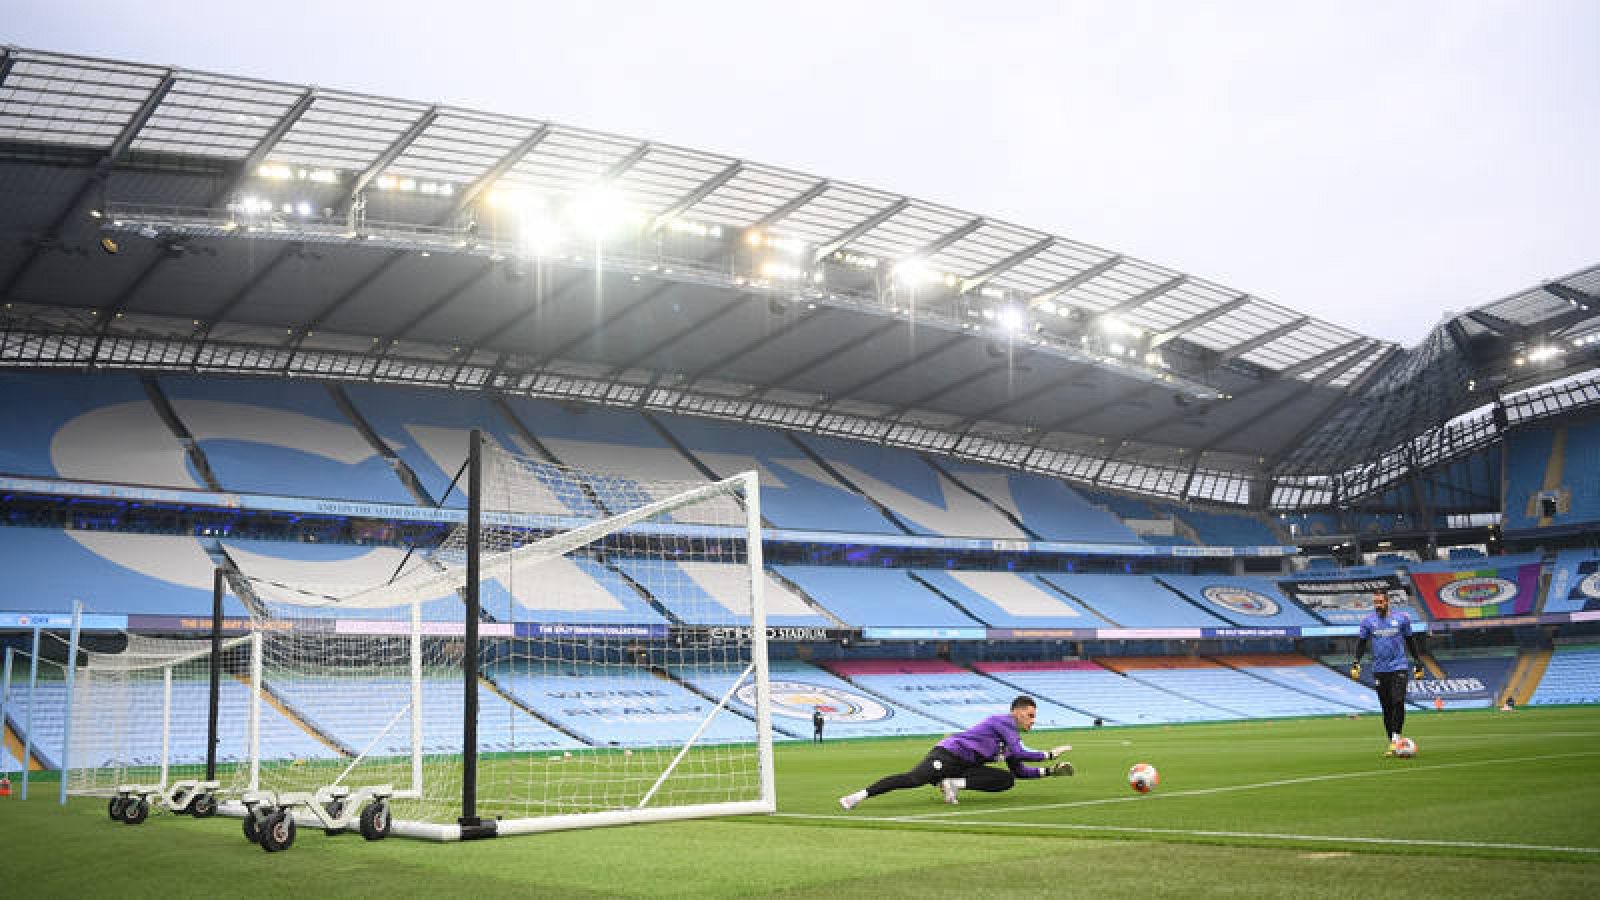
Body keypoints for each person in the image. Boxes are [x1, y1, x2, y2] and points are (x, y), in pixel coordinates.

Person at [837, 695, 1073, 809]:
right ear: (1017, 712)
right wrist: (1050, 754)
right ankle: (857, 796)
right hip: (947, 755)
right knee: (913, 779)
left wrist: (1050, 772)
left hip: (963, 766)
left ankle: (953, 784)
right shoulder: (1003, 722)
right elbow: (1021, 752)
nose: (1033, 721)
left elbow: (1020, 770)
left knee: (1006, 779)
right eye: (1030, 715)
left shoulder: (1011, 739)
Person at [1350, 591, 1425, 756]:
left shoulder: (1402, 619)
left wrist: (1418, 661)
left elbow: (1410, 640)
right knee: (1386, 708)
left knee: (1398, 701)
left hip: (1399, 666)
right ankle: (1392, 741)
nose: (1378, 605)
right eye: (1375, 602)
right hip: (1379, 669)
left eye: (1380, 602)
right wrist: (1356, 661)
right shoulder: (1368, 622)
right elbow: (1361, 643)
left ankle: (1396, 740)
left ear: (1387, 602)